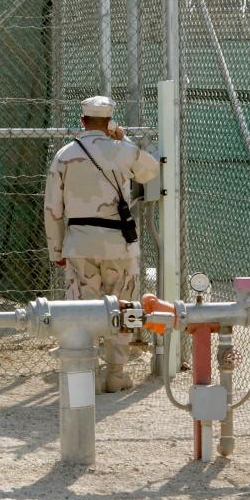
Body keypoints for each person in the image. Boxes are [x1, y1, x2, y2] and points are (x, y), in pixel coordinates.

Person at [44, 95, 158, 392]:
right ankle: (117, 373)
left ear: (82, 121)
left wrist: (56, 249)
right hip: (118, 243)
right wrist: (125, 138)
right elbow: (150, 170)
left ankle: (88, 374)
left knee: (83, 308)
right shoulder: (122, 150)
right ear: (109, 122)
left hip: (79, 243)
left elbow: (53, 208)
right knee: (121, 305)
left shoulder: (65, 155)